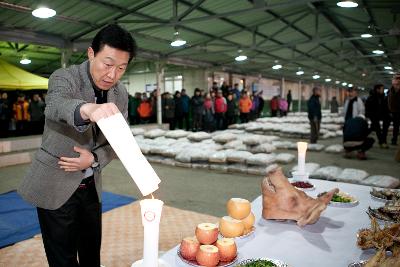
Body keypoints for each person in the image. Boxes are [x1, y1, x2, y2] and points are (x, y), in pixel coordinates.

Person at [18, 24, 137, 267]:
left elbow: (121, 141)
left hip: (91, 187)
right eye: (107, 63)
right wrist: (88, 109)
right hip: (55, 185)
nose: (112, 75)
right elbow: (56, 106)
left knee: (92, 253)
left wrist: (93, 159)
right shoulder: (65, 77)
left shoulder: (120, 93)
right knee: (63, 259)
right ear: (91, 53)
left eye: (121, 68)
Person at [388, 72, 400, 146]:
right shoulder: (391, 90)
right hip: (395, 111)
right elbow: (390, 101)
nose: (398, 80)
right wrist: (390, 110)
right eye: (396, 78)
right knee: (396, 126)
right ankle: (394, 140)